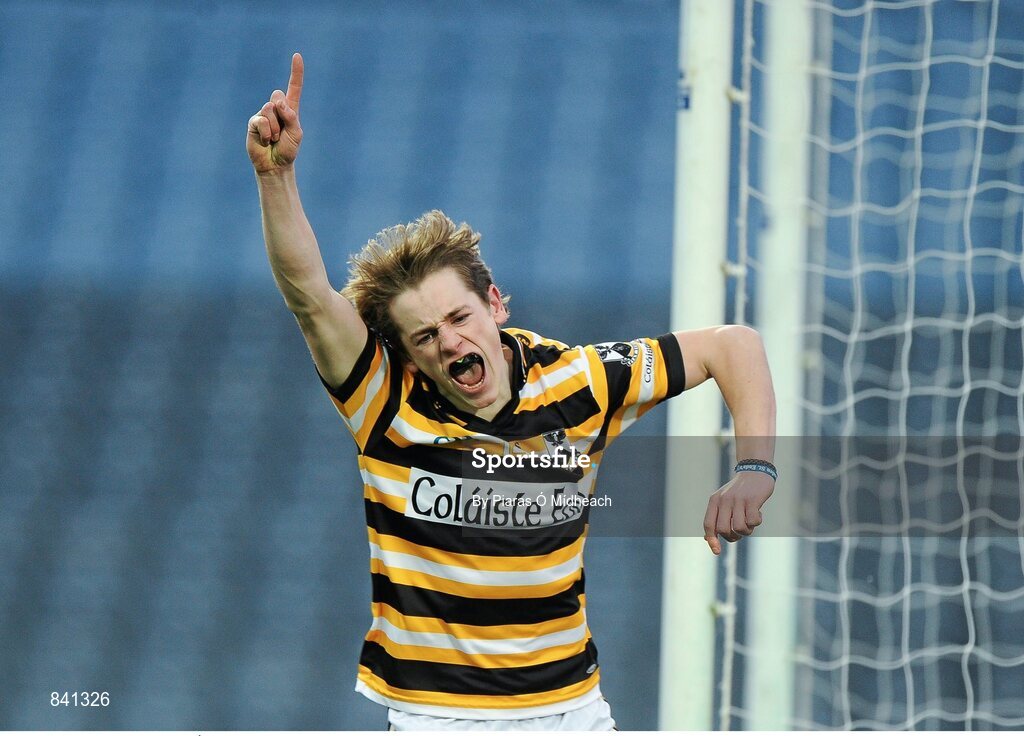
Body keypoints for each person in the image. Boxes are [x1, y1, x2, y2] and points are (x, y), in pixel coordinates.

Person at [247, 53, 776, 732]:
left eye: (460, 318)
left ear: (495, 304)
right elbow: (311, 299)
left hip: (570, 712)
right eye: (426, 335)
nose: (449, 343)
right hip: (435, 716)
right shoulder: (382, 401)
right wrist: (276, 176)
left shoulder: (580, 380)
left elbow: (733, 345)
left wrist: (756, 468)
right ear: (406, 353)